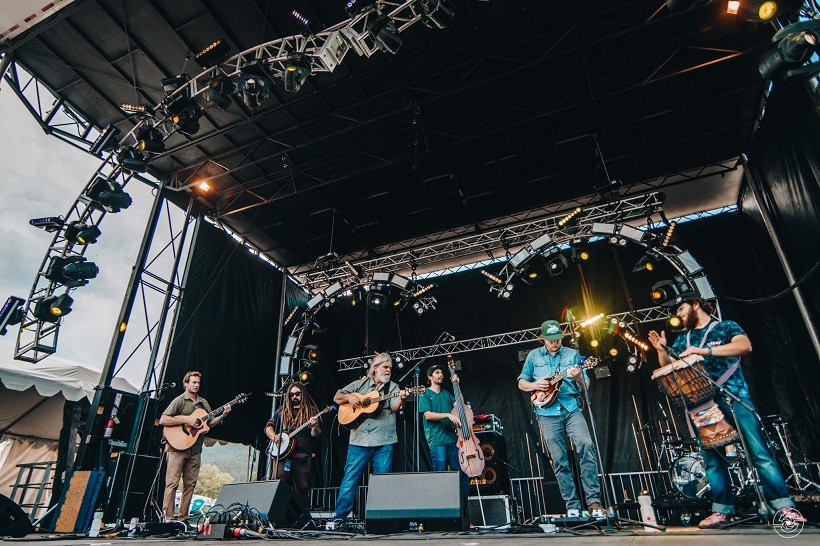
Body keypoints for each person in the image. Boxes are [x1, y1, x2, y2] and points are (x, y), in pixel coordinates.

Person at [648, 295, 805, 528]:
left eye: (681, 309)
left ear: (696, 304)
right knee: (712, 459)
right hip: (702, 404)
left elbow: (744, 346)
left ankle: (784, 507)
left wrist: (704, 352)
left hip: (733, 396)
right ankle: (722, 511)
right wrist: (661, 351)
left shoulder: (724, 327)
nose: (679, 314)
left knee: (758, 453)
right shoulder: (683, 339)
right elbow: (668, 368)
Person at [517, 320, 605, 518]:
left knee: (586, 446)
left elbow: (586, 386)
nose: (554, 343)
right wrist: (535, 386)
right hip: (547, 413)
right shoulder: (533, 356)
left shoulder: (572, 354)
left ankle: (594, 501)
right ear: (542, 339)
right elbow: (522, 383)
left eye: (557, 339)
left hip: (571, 407)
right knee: (559, 460)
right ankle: (572, 505)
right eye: (550, 340)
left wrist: (577, 377)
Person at [332, 352, 407, 522]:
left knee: (382, 481)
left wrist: (402, 399)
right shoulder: (360, 384)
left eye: (390, 368)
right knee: (350, 478)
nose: (388, 370)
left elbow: (395, 407)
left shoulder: (393, 387)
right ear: (375, 368)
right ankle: (340, 517)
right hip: (359, 439)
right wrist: (350, 396)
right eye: (385, 367)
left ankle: (380, 517)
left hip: (384, 440)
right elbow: (337, 397)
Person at [159, 371, 230, 521]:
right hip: (176, 448)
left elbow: (209, 424)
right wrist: (187, 420)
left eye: (198, 383)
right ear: (186, 384)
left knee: (190, 485)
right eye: (193, 382)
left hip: (195, 449)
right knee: (172, 483)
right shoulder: (179, 400)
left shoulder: (203, 403)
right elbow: (164, 420)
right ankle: (168, 519)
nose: (196, 385)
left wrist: (222, 416)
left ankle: (183, 519)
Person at [418, 363, 470, 500]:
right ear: (430, 377)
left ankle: (464, 514)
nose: (441, 375)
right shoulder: (425, 393)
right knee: (440, 475)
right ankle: (441, 509)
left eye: (442, 372)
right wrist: (448, 415)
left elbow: (461, 407)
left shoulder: (446, 393)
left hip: (453, 440)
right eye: (437, 372)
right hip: (437, 441)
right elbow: (428, 415)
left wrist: (457, 386)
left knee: (462, 473)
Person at [264, 382, 321, 507]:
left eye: (297, 394)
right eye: (291, 394)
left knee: (302, 489)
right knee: (276, 484)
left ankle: (302, 518)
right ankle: (273, 515)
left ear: (303, 394)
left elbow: (315, 434)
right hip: (283, 456)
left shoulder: (311, 411)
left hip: (302, 456)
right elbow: (268, 426)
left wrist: (314, 427)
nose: (294, 396)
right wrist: (274, 436)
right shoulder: (282, 410)